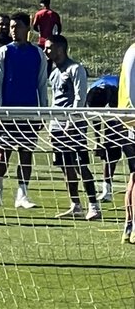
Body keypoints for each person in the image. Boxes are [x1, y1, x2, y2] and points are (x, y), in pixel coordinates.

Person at [0, 11, 48, 209]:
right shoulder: (3, 52)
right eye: (11, 27)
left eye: (17, 27)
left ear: (27, 29)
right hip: (7, 113)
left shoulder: (37, 54)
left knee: (26, 153)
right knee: (2, 153)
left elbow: (41, 85)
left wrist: (43, 111)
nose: (13, 30)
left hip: (29, 112)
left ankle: (22, 195)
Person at [45, 36, 100, 220]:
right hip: (56, 127)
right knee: (64, 166)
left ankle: (94, 205)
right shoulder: (53, 72)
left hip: (73, 127)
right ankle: (75, 205)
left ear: (60, 49)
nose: (46, 51)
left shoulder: (75, 69)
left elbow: (79, 97)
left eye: (49, 48)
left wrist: (72, 121)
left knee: (80, 165)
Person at [86, 75, 135, 202]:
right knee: (109, 154)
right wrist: (98, 142)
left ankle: (132, 184)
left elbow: (122, 109)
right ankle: (106, 190)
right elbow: (96, 121)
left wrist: (122, 129)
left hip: (126, 113)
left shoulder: (115, 89)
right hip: (112, 115)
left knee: (130, 151)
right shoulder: (92, 95)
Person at [119, 41, 135, 242]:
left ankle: (129, 225)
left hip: (129, 119)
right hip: (132, 119)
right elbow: (131, 89)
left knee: (134, 176)